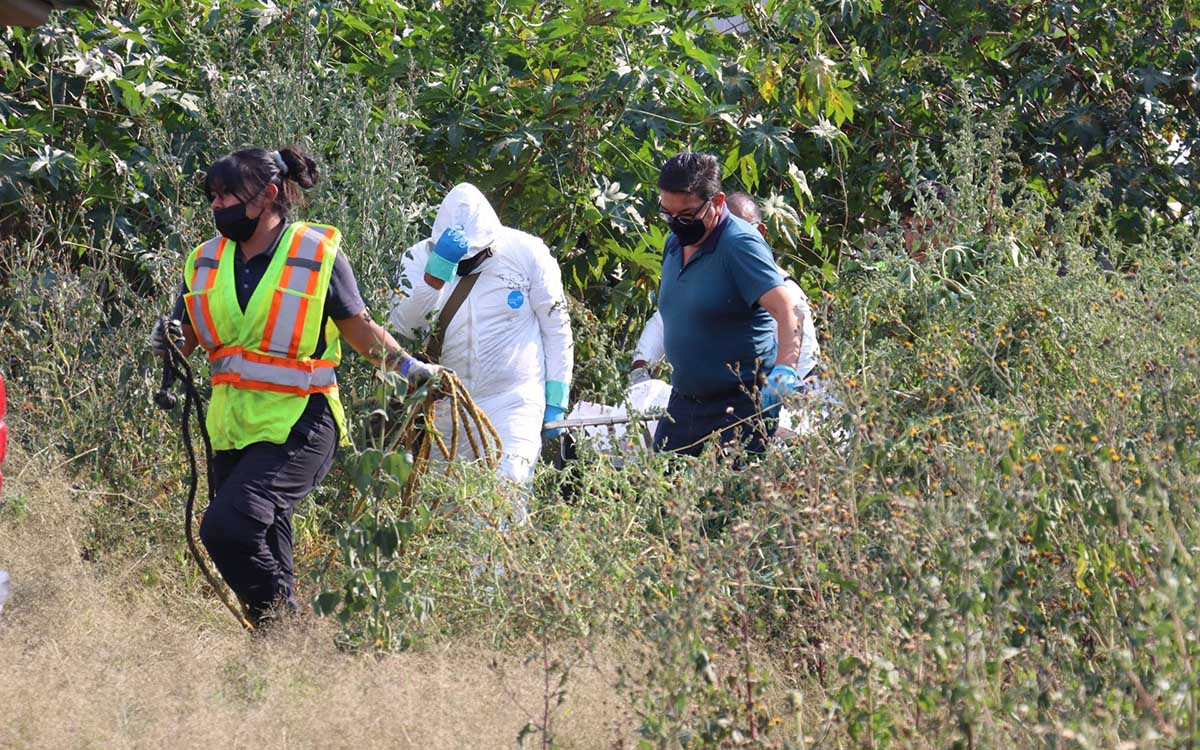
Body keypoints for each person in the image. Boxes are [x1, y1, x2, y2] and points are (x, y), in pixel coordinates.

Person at [148, 147, 442, 627]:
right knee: (262, 542)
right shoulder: (203, 262)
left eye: (227, 195)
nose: (217, 206)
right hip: (233, 430)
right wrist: (166, 341)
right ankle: (284, 663)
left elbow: (363, 332)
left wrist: (412, 370)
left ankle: (289, 630)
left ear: (268, 195)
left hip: (302, 423)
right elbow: (189, 342)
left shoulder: (316, 254)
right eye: (212, 196)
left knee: (227, 528)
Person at [388, 183, 573, 520]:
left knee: (504, 502)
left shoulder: (527, 252)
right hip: (447, 407)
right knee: (450, 513)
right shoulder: (417, 259)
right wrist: (435, 276)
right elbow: (403, 328)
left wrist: (556, 401)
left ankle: (503, 574)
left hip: (513, 402)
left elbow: (556, 327)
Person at [650, 153, 805, 456]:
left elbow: (788, 308)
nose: (676, 225)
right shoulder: (675, 243)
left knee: (725, 499)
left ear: (717, 202)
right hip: (684, 403)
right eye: (668, 215)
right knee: (664, 495)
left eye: (687, 216)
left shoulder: (739, 245)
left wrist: (786, 369)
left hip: (738, 407)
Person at [631, 192, 821, 391]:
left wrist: (784, 380)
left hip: (768, 396)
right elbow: (665, 320)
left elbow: (802, 362)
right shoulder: (700, 276)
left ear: (760, 233)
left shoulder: (783, 287)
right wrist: (642, 367)